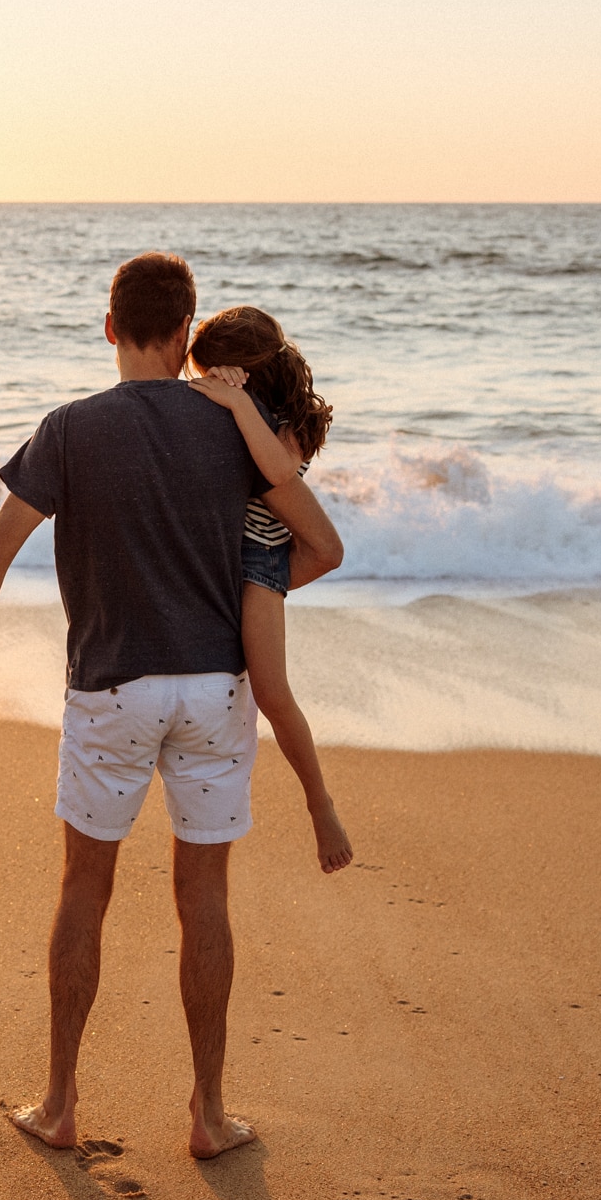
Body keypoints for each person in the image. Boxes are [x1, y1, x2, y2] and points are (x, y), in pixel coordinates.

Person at [0, 253, 344, 1160]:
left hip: (112, 689)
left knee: (84, 889)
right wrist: (250, 594)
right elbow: (311, 534)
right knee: (203, 894)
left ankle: (59, 1104)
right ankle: (209, 1115)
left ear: (109, 328)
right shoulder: (234, 426)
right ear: (186, 336)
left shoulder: (69, 430)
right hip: (215, 691)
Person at [185, 307, 355, 874]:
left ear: (245, 372)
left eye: (216, 372)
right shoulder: (247, 403)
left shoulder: (288, 421)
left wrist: (234, 402)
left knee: (272, 691)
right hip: (218, 548)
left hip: (259, 560)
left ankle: (320, 804)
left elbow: (278, 470)